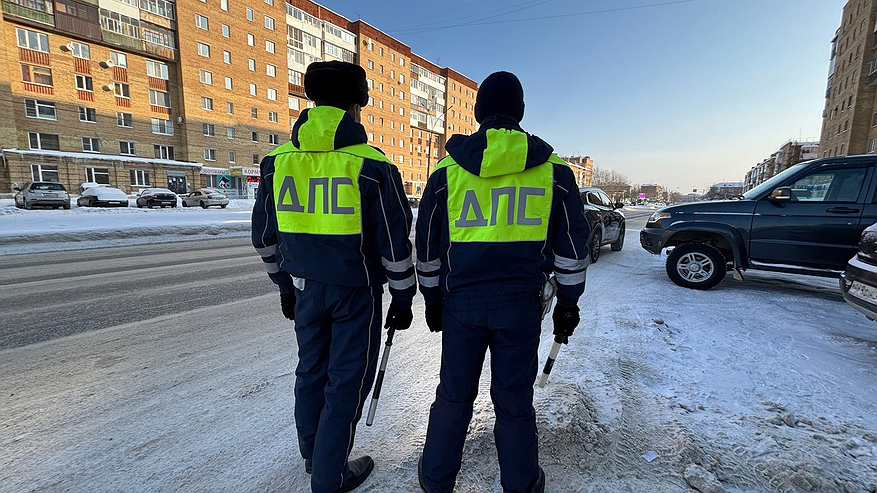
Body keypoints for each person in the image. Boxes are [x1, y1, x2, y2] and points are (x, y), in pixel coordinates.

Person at [414, 71, 590, 493]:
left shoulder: (447, 170)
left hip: (463, 306)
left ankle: (436, 480)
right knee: (513, 402)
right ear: (521, 113)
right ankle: (522, 482)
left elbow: (427, 244)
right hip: (521, 307)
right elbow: (571, 246)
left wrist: (431, 297)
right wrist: (568, 301)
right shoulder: (553, 170)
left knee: (454, 397)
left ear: (476, 114)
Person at [251, 60, 415, 493]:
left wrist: (284, 285)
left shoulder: (277, 162)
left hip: (305, 289)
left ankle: (313, 454)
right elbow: (395, 245)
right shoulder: (372, 165)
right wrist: (403, 298)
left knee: (311, 372)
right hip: (355, 294)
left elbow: (265, 238)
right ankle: (329, 475)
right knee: (347, 382)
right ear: (357, 104)